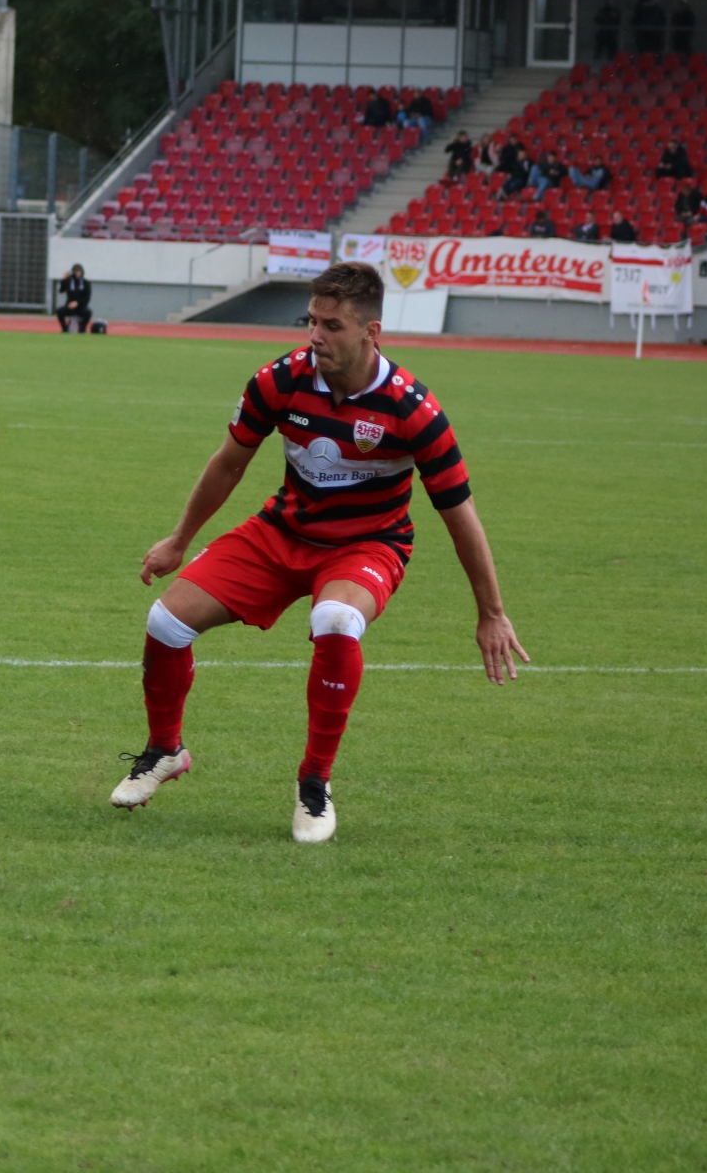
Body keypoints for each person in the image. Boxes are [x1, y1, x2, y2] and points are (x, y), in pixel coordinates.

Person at [109, 261, 527, 843]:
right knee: (166, 622)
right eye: (311, 321)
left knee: (335, 620)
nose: (315, 336)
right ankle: (164, 750)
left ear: (371, 332)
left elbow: (461, 516)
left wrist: (491, 612)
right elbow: (229, 463)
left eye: (332, 325)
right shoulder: (279, 381)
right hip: (282, 531)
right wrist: (179, 539)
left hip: (367, 544)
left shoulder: (413, 411)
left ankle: (314, 783)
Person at [55, 263, 93, 333]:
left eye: (78, 271)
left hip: (81, 307)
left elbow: (87, 297)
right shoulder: (69, 282)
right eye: (75, 271)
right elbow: (61, 290)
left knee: (88, 312)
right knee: (59, 311)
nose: (77, 273)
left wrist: (77, 303)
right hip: (70, 306)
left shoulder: (86, 283)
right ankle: (65, 328)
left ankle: (82, 329)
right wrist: (64, 279)